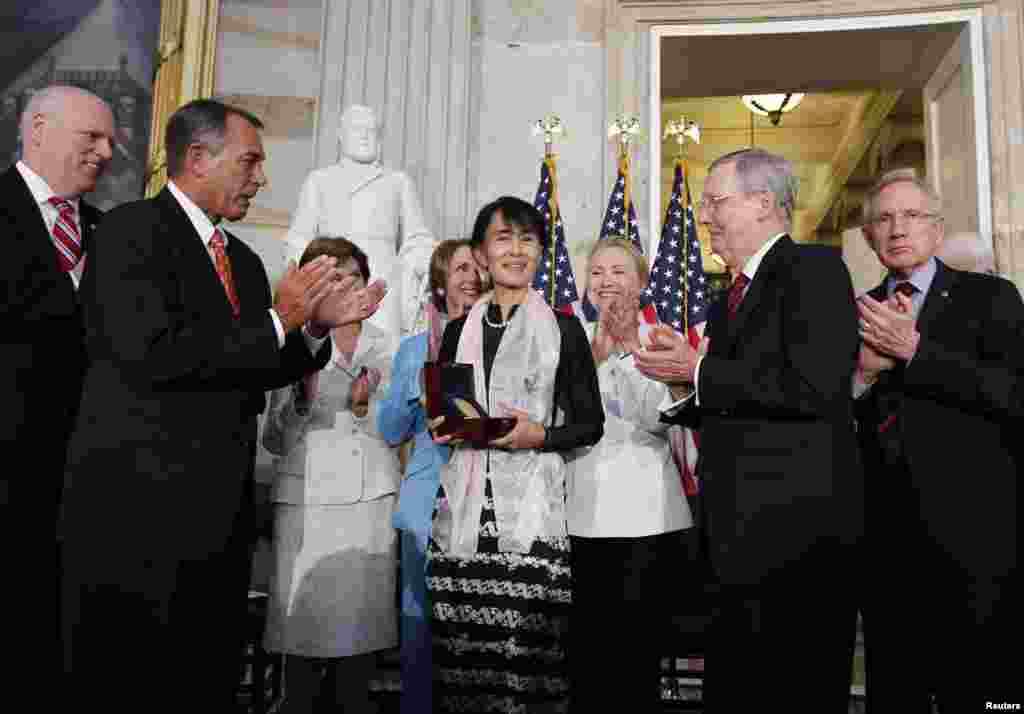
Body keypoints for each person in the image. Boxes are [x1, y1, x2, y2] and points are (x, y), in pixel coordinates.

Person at [59, 98, 384, 712]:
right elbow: (152, 355)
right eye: (251, 160)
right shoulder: (130, 233)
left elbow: (260, 359)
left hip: (218, 516)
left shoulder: (240, 259)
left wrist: (314, 330)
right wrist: (281, 318)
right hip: (137, 514)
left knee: (202, 679)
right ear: (198, 158)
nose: (261, 177)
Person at [636, 148, 863, 712]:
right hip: (736, 542)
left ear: (763, 203)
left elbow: (815, 387)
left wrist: (699, 371)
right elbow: (734, 400)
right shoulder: (727, 297)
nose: (704, 216)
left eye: (714, 201)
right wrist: (681, 385)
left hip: (798, 540)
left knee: (796, 690)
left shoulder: (813, 269)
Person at [426, 196, 603, 713]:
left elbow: (590, 424)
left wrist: (540, 436)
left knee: (530, 658)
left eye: (527, 239)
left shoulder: (564, 329)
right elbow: (446, 419)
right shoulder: (458, 331)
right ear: (481, 254)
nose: (516, 249)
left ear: (541, 253)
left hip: (531, 508)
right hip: (463, 511)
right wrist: (442, 419)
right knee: (465, 661)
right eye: (503, 238)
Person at [854, 169, 1022, 710]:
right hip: (885, 544)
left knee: (978, 692)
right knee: (895, 692)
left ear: (936, 228)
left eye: (911, 216)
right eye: (883, 218)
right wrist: (864, 376)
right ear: (868, 237)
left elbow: (1012, 394)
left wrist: (916, 352)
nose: (897, 228)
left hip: (974, 539)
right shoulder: (851, 312)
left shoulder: (989, 297)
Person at [0, 84, 113, 694]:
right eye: (90, 137)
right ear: (37, 129)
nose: (105, 153)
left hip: (82, 486)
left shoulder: (106, 232)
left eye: (111, 142)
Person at [262, 236, 399, 714]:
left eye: (354, 278)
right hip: (306, 503)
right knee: (300, 632)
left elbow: (402, 428)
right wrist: (301, 400)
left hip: (369, 502)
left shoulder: (388, 346)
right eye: (333, 279)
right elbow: (273, 441)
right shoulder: (294, 344)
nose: (345, 288)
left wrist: (365, 410)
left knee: (359, 637)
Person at [567, 237, 695, 713]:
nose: (607, 282)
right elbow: (557, 422)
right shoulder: (568, 339)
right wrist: (594, 357)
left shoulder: (659, 340)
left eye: (619, 272)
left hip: (648, 519)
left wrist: (625, 352)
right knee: (585, 659)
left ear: (641, 283)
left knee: (637, 661)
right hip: (581, 514)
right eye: (597, 272)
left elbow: (658, 418)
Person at [378, 238, 482, 714]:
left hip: (482, 500)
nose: (472, 276)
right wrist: (414, 391)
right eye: (461, 268)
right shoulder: (413, 349)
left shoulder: (500, 344)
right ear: (441, 282)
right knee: (419, 628)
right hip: (425, 503)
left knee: (476, 631)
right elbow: (390, 428)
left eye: (478, 267)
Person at [286, 104, 435, 338]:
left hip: (383, 281)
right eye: (358, 129)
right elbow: (299, 237)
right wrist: (300, 278)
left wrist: (421, 258)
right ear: (341, 135)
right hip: (333, 277)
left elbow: (417, 236)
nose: (365, 135)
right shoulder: (320, 180)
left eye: (371, 130)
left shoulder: (397, 181)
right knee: (328, 352)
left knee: (383, 355)